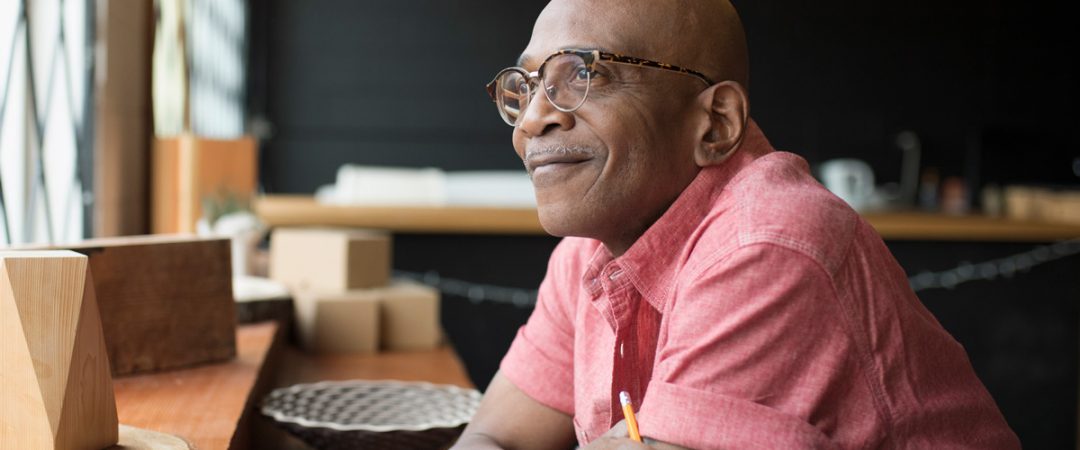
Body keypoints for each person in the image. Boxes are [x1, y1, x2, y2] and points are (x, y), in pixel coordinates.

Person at [453, 0, 1021, 448]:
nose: (532, 119)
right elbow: (496, 433)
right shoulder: (591, 251)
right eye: (524, 87)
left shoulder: (767, 242)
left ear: (715, 123)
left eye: (583, 73)